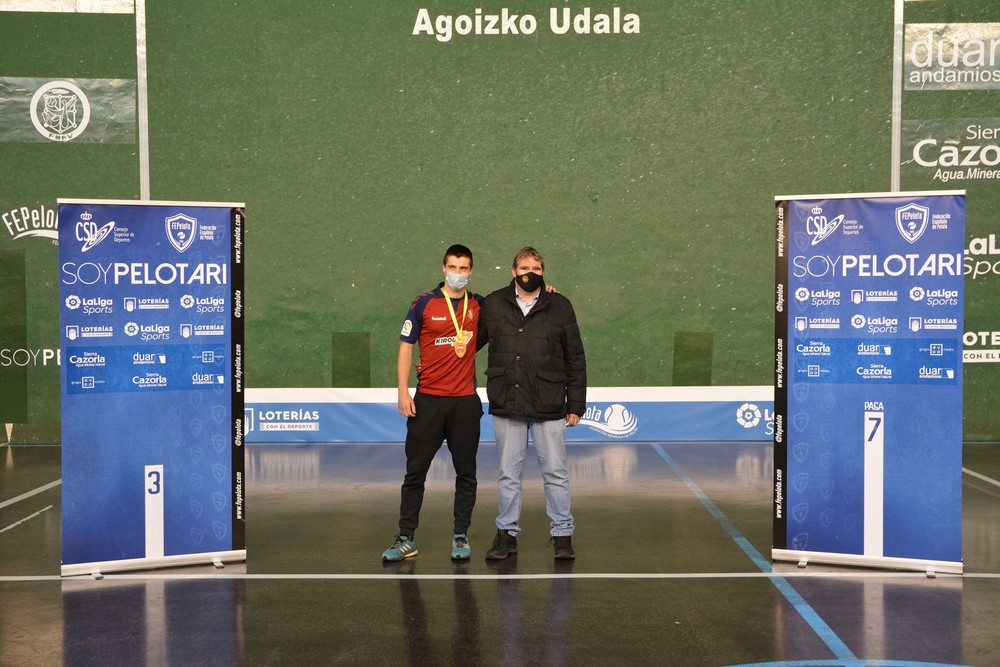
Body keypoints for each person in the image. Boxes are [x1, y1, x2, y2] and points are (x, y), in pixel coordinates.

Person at [480, 247, 587, 560]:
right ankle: (506, 534)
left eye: (537, 268)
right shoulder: (493, 303)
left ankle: (563, 535)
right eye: (524, 267)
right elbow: (467, 341)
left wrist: (575, 404)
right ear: (513, 271)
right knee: (508, 475)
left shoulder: (560, 305)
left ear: (544, 272)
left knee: (556, 472)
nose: (530, 273)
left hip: (549, 404)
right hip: (507, 403)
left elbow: (575, 357)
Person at [382, 244, 484, 562]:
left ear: (471, 271)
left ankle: (460, 536)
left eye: (464, 268)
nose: (458, 273)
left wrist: (546, 290)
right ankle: (406, 539)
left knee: (466, 474)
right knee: (415, 473)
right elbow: (405, 347)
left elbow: (517, 301)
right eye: (453, 267)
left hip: (465, 403)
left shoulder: (480, 305)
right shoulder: (424, 303)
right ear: (443, 268)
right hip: (428, 403)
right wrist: (402, 391)